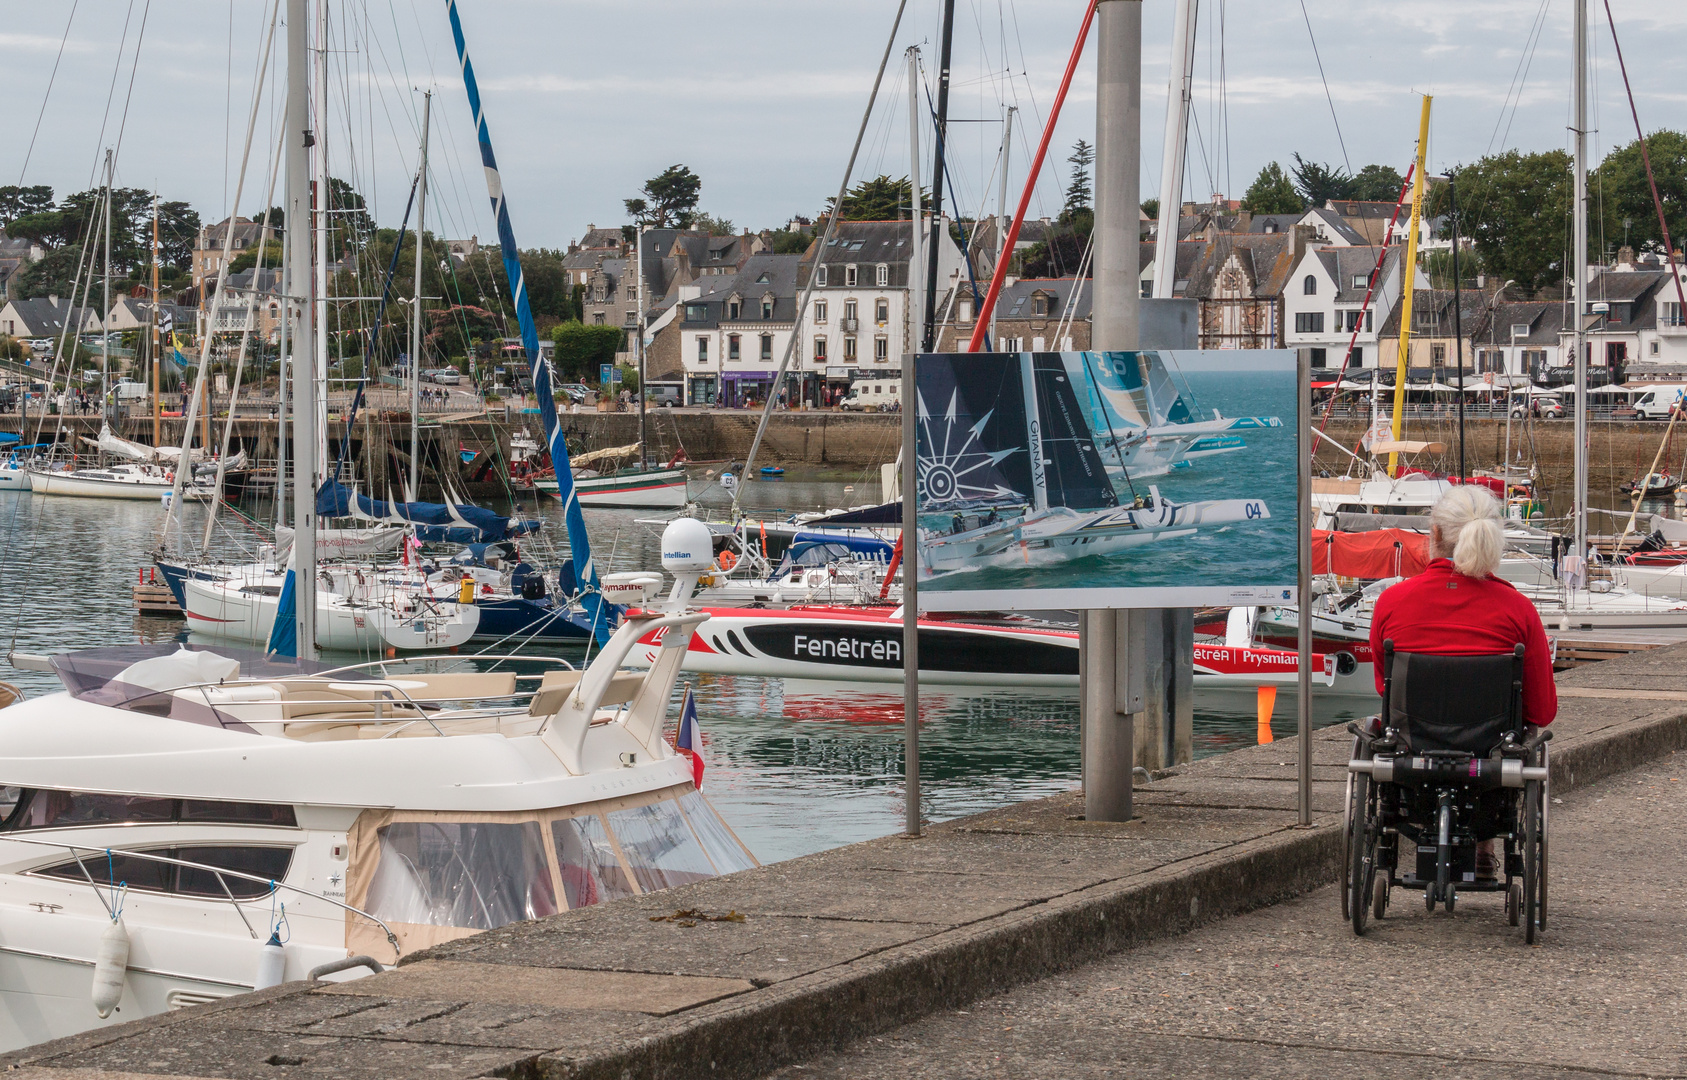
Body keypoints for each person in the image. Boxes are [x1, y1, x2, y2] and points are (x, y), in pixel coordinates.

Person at [1368, 484, 1556, 879]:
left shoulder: (1392, 603)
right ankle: (1485, 844)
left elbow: (1385, 689)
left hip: (1412, 752)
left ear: (1434, 535)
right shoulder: (1518, 611)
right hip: (1488, 764)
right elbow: (1542, 709)